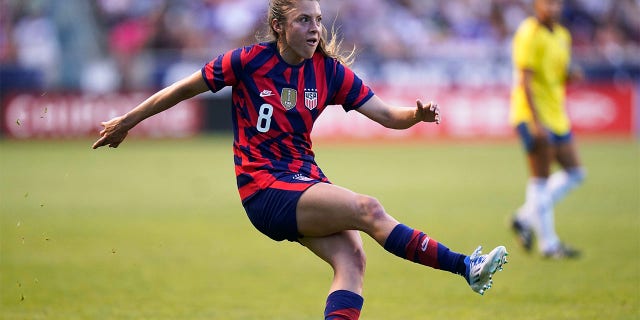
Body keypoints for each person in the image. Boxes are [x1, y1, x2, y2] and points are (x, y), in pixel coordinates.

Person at [93, 0, 508, 318]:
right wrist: (129, 120)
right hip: (264, 188)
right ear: (278, 26)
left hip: (303, 179)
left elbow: (385, 115)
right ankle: (465, 267)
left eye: (318, 20)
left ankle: (465, 270)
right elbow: (183, 89)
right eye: (303, 20)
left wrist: (414, 116)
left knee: (352, 260)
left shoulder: (328, 72)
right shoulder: (248, 61)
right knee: (368, 209)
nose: (314, 29)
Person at [509, 0, 586, 259]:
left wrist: (569, 76)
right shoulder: (529, 33)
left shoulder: (563, 35)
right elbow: (525, 80)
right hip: (533, 115)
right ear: (537, 5)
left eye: (556, 3)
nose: (552, 8)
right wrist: (535, 121)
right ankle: (549, 245)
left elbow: (556, 73)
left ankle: (523, 217)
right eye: (547, 3)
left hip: (557, 115)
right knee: (540, 179)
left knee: (576, 173)